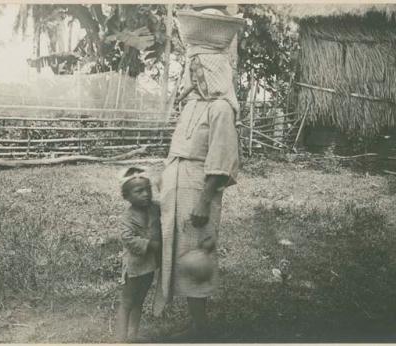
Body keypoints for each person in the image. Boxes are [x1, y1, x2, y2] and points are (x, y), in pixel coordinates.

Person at [154, 7, 244, 339]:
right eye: (193, 71)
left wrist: (204, 202)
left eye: (200, 71)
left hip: (199, 188)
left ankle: (200, 328)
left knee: (197, 254)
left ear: (215, 72)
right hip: (178, 181)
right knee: (176, 249)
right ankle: (191, 321)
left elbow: (221, 163)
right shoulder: (193, 105)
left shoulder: (221, 109)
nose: (195, 77)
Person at [115, 167, 161, 342]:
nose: (145, 194)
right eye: (139, 191)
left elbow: (168, 216)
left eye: (148, 189)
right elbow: (127, 238)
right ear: (126, 196)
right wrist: (150, 244)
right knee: (127, 301)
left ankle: (132, 336)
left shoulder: (155, 209)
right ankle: (120, 339)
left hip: (149, 265)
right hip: (134, 266)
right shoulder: (128, 217)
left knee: (139, 301)